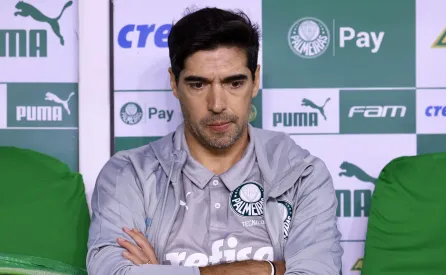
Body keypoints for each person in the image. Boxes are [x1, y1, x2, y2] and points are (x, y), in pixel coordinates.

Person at [86, 7, 343, 275]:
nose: (217, 104)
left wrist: (159, 271)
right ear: (174, 84)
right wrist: (269, 269)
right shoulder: (129, 173)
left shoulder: (302, 172)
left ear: (255, 81)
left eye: (234, 83)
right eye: (198, 84)